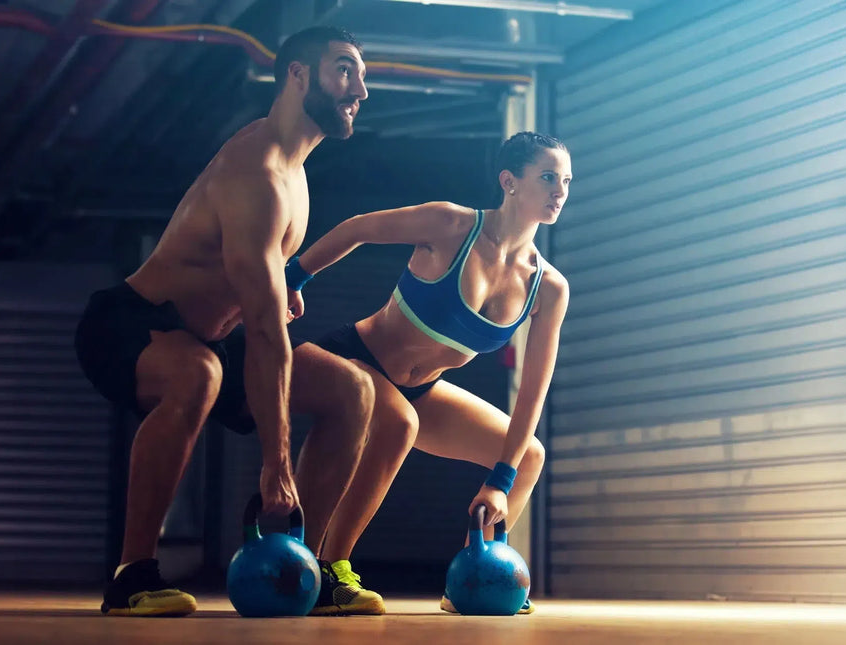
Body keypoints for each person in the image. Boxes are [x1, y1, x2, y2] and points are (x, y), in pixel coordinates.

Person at [74, 26, 387, 617]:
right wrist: (276, 466)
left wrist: (280, 286)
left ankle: (309, 568)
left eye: (361, 75)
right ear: (297, 74)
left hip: (211, 337)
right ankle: (132, 576)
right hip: (128, 323)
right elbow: (268, 335)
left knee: (354, 389)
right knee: (198, 375)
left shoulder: (296, 175)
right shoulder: (259, 172)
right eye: (345, 69)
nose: (361, 90)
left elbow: (256, 284)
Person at [286, 131, 571, 613]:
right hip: (351, 357)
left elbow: (532, 392)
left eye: (566, 180)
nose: (559, 190)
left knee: (528, 457)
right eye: (547, 177)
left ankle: (473, 580)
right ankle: (331, 569)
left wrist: (500, 480)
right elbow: (358, 228)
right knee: (401, 421)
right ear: (510, 182)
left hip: (420, 389)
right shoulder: (450, 224)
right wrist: (293, 278)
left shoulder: (549, 287)